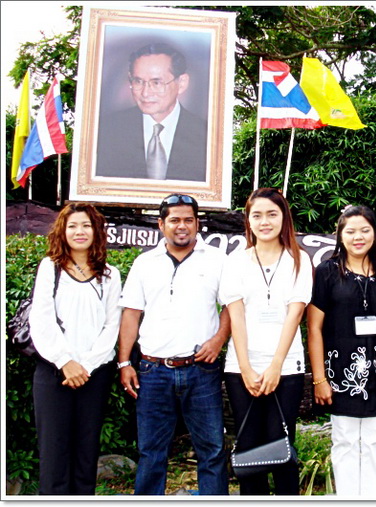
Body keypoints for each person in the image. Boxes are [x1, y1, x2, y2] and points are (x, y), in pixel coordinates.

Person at [117, 193, 229, 495]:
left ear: (198, 224)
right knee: (151, 451)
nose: (182, 226)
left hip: (201, 370)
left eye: (189, 220)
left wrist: (218, 340)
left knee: (212, 449)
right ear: (161, 224)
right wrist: (125, 362)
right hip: (153, 370)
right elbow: (131, 313)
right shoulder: (144, 263)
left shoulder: (217, 260)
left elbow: (232, 306)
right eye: (175, 220)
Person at [221, 188, 313, 495]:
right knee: (249, 447)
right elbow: (237, 317)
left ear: (284, 217)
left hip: (286, 369)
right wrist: (246, 367)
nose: (264, 221)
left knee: (280, 443)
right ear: (248, 220)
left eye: (272, 214)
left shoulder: (299, 261)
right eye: (257, 215)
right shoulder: (235, 262)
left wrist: (275, 366)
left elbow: (294, 316)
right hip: (241, 369)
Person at [307, 205, 376, 497]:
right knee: (345, 441)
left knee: (375, 441)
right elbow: (314, 329)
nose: (358, 237)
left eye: (365, 230)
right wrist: (320, 379)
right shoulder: (326, 272)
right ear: (340, 235)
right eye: (350, 231)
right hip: (341, 374)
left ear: (375, 233)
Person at [29, 203, 121, 495]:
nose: (79, 232)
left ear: (96, 231)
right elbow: (41, 320)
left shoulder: (109, 275)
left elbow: (111, 327)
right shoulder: (50, 268)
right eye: (72, 226)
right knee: (54, 455)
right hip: (54, 373)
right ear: (62, 231)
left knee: (85, 453)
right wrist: (65, 361)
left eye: (86, 225)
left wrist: (86, 367)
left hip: (94, 376)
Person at [96, 42, 207, 181]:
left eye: (156, 83)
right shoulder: (106, 131)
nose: (145, 93)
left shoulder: (207, 136)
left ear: (182, 83)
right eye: (138, 81)